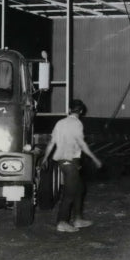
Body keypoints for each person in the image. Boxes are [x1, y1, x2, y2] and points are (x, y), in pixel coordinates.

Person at [42, 98, 102, 233]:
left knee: (79, 188)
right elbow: (82, 144)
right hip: (69, 161)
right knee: (69, 193)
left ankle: (78, 219)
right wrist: (94, 158)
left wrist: (45, 158)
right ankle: (61, 222)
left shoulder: (60, 123)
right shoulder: (77, 124)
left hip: (63, 161)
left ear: (69, 110)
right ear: (80, 111)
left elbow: (51, 143)